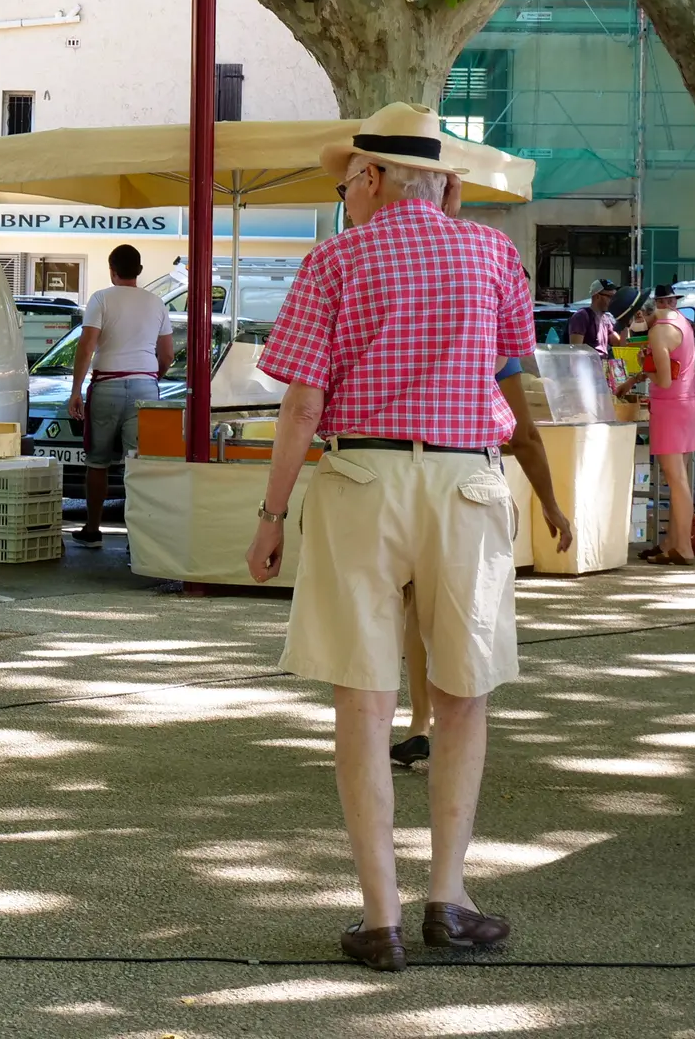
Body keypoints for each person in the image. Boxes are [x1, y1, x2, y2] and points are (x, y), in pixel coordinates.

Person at [245, 102, 533, 973]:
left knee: (364, 703)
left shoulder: (334, 258)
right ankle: (448, 896)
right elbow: (510, 371)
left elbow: (300, 402)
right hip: (467, 479)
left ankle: (380, 919)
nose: (345, 198)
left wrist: (270, 516)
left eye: (347, 183)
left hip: (362, 481)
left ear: (371, 177)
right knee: (461, 693)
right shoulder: (493, 252)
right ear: (442, 182)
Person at [390, 357, 574, 767]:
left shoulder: (397, 317)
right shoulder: (488, 336)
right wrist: (550, 503)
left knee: (415, 611)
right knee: (460, 615)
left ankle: (419, 723)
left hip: (394, 481)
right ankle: (451, 726)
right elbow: (523, 433)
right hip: (470, 481)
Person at [68, 244, 173, 548]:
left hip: (107, 386)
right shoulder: (157, 303)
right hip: (145, 389)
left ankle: (92, 529)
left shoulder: (100, 299)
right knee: (136, 465)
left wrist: (76, 391)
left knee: (97, 462)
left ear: (112, 270)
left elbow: (86, 347)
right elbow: (166, 354)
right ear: (139, 271)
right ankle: (136, 538)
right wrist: (151, 377)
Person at [621, 284, 695, 564]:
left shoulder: (658, 332)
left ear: (638, 315)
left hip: (669, 407)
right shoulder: (676, 317)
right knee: (681, 479)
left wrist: (647, 365)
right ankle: (674, 542)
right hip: (689, 403)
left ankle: (683, 547)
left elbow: (664, 380)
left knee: (676, 481)